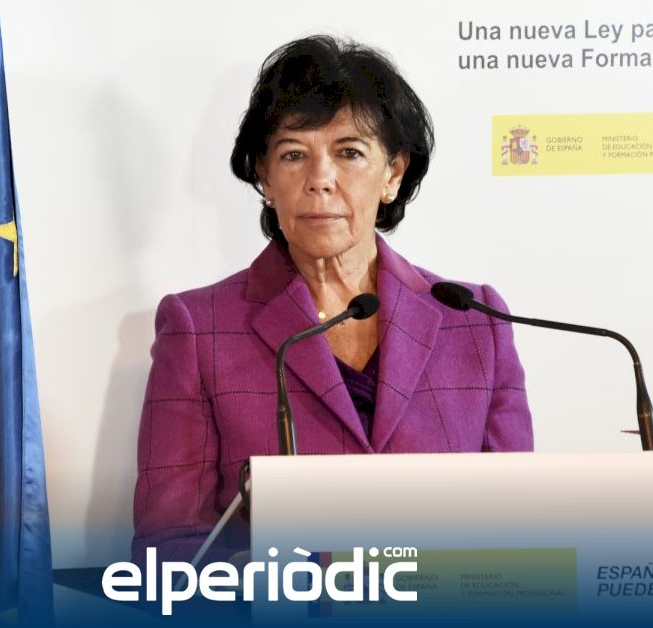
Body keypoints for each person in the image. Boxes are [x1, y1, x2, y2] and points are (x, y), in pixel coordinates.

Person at [131, 35, 532, 565]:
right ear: (264, 176)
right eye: (293, 154)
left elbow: (520, 535)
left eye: (349, 153)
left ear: (393, 174)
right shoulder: (198, 329)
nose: (320, 179)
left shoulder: (475, 323)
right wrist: (316, 578)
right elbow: (167, 557)